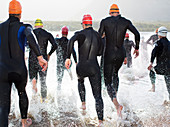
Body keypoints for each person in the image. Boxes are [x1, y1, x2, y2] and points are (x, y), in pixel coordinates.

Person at [0, 0, 48, 126]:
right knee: (22, 93)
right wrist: (39, 56)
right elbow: (31, 37)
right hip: (19, 70)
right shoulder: (25, 27)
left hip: (3, 71)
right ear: (20, 13)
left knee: (4, 105)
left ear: (9, 12)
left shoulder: (0, 27)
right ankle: (24, 123)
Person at [98, 4, 140, 117]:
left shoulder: (105, 21)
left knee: (107, 80)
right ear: (119, 12)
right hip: (121, 54)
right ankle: (115, 93)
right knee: (115, 74)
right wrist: (137, 48)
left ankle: (116, 103)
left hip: (109, 53)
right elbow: (137, 33)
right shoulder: (125, 21)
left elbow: (99, 36)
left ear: (110, 12)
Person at [65, 14, 104, 126]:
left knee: (80, 81)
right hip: (94, 67)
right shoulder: (98, 35)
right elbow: (100, 53)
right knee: (98, 96)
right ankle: (100, 121)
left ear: (83, 24)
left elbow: (70, 42)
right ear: (91, 24)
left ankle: (83, 104)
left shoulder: (79, 34)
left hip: (81, 67)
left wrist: (68, 57)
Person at [28, 19, 57, 102]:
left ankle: (34, 97)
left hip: (32, 58)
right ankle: (44, 100)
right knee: (43, 81)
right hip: (43, 59)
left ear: (35, 26)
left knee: (33, 78)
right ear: (42, 26)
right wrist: (49, 54)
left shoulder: (31, 33)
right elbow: (55, 45)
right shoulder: (47, 34)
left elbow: (26, 44)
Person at [147, 26, 170, 98]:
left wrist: (151, 63)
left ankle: (153, 87)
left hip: (160, 67)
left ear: (159, 34)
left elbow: (154, 53)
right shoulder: (169, 43)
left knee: (151, 70)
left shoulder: (157, 43)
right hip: (169, 68)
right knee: (169, 86)